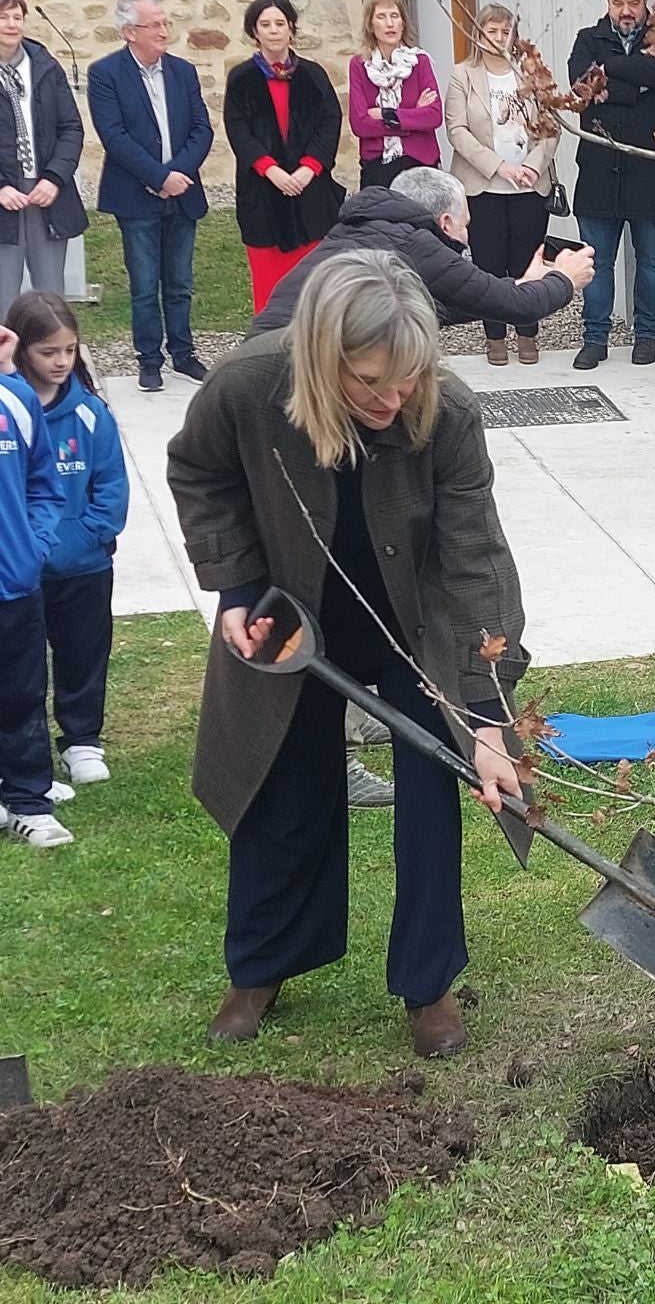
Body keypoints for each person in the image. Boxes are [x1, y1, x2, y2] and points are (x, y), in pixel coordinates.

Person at [167, 250, 529, 1058]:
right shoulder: (248, 388)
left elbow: (476, 560)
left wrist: (484, 713)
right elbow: (198, 472)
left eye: (407, 380)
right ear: (324, 357)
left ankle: (428, 983)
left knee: (433, 785)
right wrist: (235, 586)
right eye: (371, 383)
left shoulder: (449, 412)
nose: (393, 399)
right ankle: (263, 964)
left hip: (415, 626)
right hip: (292, 614)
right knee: (283, 786)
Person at [7, 291, 126, 792]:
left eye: (70, 350)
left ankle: (82, 741)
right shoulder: (9, 410)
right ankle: (24, 755)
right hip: (22, 574)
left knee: (83, 655)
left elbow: (112, 488)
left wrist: (92, 535)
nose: (60, 362)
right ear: (20, 351)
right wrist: (30, 550)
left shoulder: (91, 413)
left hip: (83, 568)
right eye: (48, 352)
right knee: (23, 672)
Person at [252, 169, 590, 337]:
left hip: (257, 352)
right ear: (445, 222)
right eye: (465, 224)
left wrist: (521, 282)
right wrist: (564, 279)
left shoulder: (359, 229)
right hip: (291, 364)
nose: (467, 235)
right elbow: (518, 308)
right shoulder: (415, 244)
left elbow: (443, 304)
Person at [88, 0, 212, 394]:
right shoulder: (105, 74)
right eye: (154, 24)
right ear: (129, 32)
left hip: (183, 191)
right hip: (136, 194)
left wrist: (176, 174)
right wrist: (158, 177)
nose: (163, 31)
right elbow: (114, 136)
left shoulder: (182, 71)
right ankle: (149, 360)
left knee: (180, 282)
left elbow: (201, 129)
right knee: (144, 285)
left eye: (164, 23)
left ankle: (184, 353)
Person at [568, 0, 655, 370]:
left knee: (652, 261)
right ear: (608, 3)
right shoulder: (587, 39)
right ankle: (595, 339)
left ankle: (646, 336)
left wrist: (612, 71)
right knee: (596, 262)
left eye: (633, 3)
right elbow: (583, 85)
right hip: (599, 170)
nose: (626, 11)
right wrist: (637, 87)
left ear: (644, 2)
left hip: (650, 171)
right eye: (618, 3)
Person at [446, 3, 559, 366]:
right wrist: (499, 167)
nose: (498, 38)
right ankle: (495, 337)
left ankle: (528, 334)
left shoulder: (531, 74)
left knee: (527, 264)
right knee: (489, 266)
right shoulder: (462, 76)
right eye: (491, 31)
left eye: (505, 31)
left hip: (529, 185)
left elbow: (552, 128)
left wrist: (530, 166)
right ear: (478, 35)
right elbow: (457, 131)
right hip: (483, 187)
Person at [224, 0, 346, 315]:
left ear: (291, 29)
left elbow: (329, 121)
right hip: (264, 195)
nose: (274, 30)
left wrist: (309, 167)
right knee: (271, 293)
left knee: (314, 290)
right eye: (265, 24)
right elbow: (238, 130)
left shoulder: (314, 75)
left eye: (280, 23)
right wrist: (271, 170)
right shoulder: (241, 78)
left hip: (311, 194)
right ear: (255, 32)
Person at [0, 314, 63, 845]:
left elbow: (43, 485)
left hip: (13, 584)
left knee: (21, 693)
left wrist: (32, 548)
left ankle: (27, 800)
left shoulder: (15, 401)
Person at [0, 0, 86, 319]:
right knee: (4, 300)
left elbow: (71, 129)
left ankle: (53, 367)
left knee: (51, 300)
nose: (11, 24)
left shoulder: (46, 67)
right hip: (5, 197)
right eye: (4, 17)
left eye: (17, 17)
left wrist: (53, 178)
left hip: (46, 194)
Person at [348, 0, 441, 190]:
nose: (390, 24)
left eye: (395, 16)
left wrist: (384, 114)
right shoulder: (359, 65)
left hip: (420, 161)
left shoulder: (419, 61)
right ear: (370, 25)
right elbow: (360, 124)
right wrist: (412, 117)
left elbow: (434, 116)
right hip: (378, 163)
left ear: (403, 22)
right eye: (381, 17)